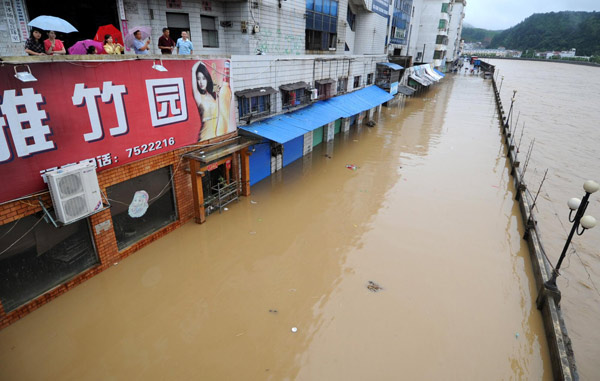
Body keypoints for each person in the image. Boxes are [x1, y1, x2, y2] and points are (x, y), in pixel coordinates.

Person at [192, 61, 232, 141]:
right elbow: (193, 70)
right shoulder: (199, 97)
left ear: (207, 79)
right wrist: (199, 62)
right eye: (198, 79)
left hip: (217, 136)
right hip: (204, 138)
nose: (201, 82)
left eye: (203, 78)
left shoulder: (214, 95)